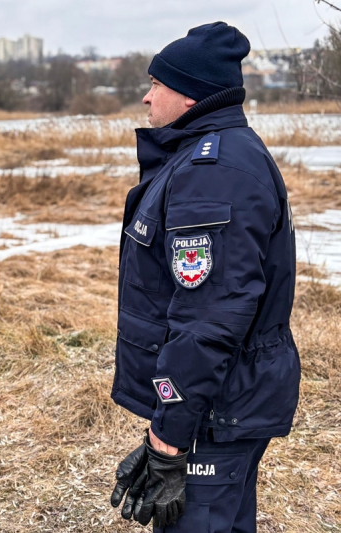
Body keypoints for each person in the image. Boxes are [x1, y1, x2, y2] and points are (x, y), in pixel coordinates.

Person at [108, 22, 299, 532]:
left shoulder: (214, 172)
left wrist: (169, 439)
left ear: (191, 94)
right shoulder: (207, 157)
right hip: (220, 403)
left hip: (216, 407)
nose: (147, 99)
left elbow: (209, 316)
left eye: (157, 84)